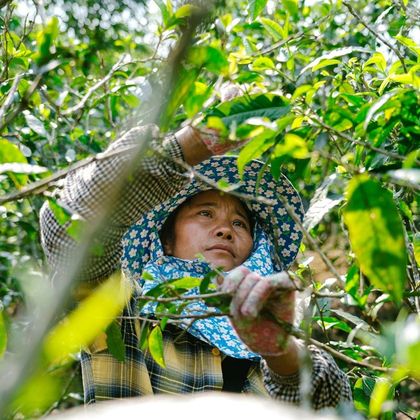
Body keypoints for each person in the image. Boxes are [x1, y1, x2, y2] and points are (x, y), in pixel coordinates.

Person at [39, 124, 352, 408]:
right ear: (166, 242)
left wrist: (278, 351)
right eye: (205, 213)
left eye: (240, 224)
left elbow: (337, 406)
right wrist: (193, 143)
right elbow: (68, 228)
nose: (225, 229)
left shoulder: (275, 332)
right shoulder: (127, 310)